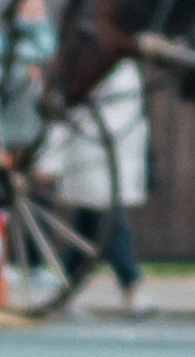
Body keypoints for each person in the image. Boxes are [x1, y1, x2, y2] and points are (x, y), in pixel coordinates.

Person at [34, 48, 155, 313]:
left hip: (113, 156)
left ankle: (65, 289)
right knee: (110, 225)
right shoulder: (92, 69)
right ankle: (131, 285)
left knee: (87, 228)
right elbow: (65, 114)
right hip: (92, 157)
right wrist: (49, 160)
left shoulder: (123, 68)